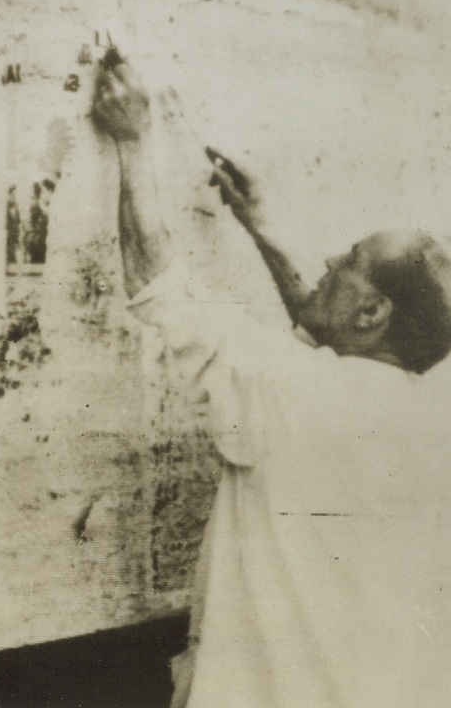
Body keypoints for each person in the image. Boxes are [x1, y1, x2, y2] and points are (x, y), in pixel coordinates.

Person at [89, 48, 451, 708]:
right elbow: (334, 338)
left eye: (350, 260)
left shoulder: (299, 396)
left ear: (374, 311)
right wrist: (262, 225)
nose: (330, 259)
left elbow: (156, 284)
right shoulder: (425, 414)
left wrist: (134, 141)